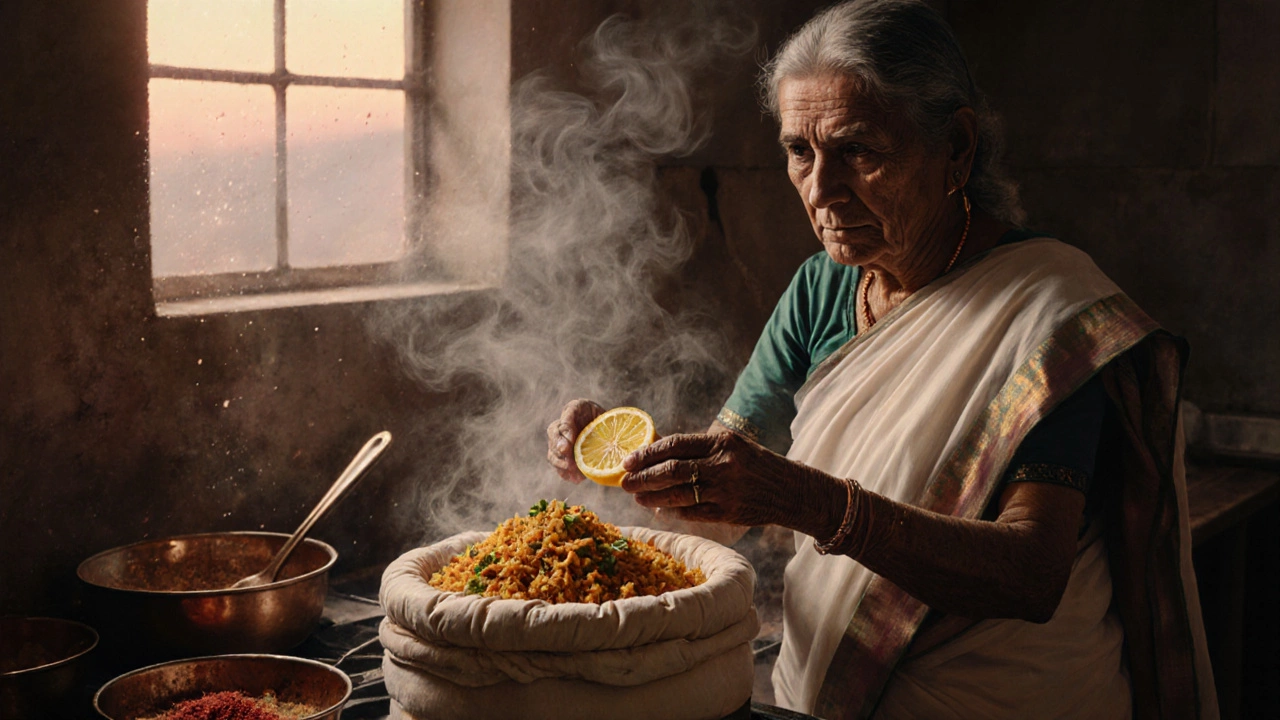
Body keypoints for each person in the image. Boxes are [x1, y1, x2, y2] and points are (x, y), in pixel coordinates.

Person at [546, 2, 1217, 718]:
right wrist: (639, 463)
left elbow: (1031, 573)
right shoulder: (821, 288)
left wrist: (807, 501)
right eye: (799, 151)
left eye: (858, 151)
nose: (820, 190)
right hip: (817, 698)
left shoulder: (1051, 317)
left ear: (957, 147)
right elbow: (724, 502)